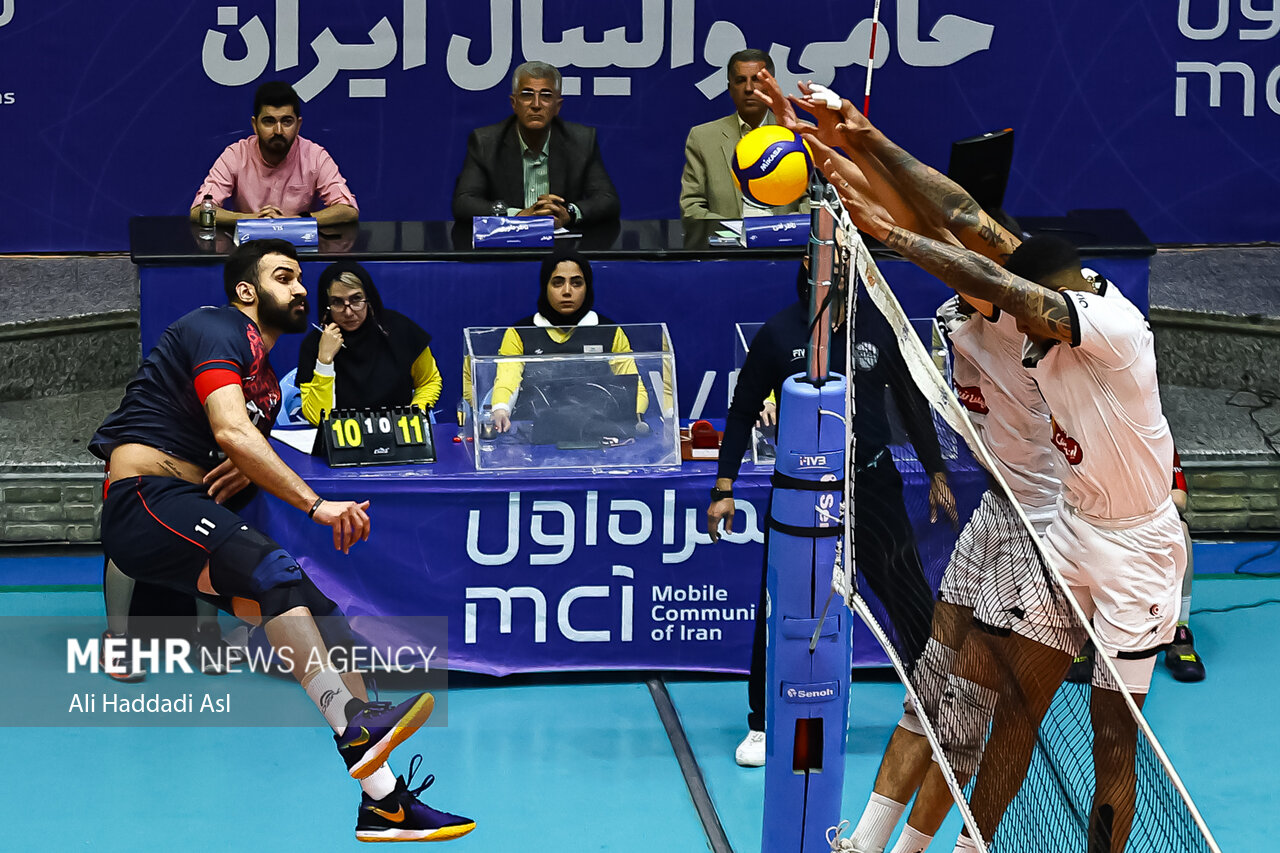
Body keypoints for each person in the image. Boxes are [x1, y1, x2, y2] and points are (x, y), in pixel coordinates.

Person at [817, 119, 1184, 851]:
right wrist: (857, 143)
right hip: (1063, 525)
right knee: (998, 699)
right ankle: (944, 845)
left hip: (1126, 546)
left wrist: (889, 232)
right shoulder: (1018, 294)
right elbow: (956, 216)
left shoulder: (1105, 326)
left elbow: (975, 263)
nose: (1027, 339)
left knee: (1110, 733)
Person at [89, 239, 472, 843]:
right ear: (247, 291)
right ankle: (358, 724)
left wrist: (244, 461)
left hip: (187, 508)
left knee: (324, 621)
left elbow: (240, 446)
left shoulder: (266, 383)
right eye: (285, 277)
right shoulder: (217, 327)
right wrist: (315, 504)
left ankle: (384, 802)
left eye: (299, 278)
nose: (300, 289)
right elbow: (230, 430)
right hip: (144, 500)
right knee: (274, 572)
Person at [707, 259, 956, 768]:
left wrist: (936, 471)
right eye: (832, 260)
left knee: (909, 597)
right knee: (781, 605)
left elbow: (911, 401)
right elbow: (742, 409)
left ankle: (936, 709)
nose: (840, 270)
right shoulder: (779, 333)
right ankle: (762, 723)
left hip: (873, 485)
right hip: (802, 492)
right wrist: (723, 487)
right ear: (811, 267)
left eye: (846, 262)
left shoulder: (877, 328)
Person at [469, 249, 648, 437]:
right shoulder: (519, 333)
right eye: (557, 282)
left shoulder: (610, 331)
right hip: (537, 432)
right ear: (545, 286)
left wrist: (632, 416)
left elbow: (634, 387)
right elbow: (508, 379)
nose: (567, 291)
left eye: (576, 283)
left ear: (587, 287)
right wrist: (501, 409)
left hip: (598, 429)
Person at [451, 61, 620, 229]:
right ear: (514, 103)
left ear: (557, 106)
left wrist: (568, 213)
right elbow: (464, 202)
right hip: (508, 241)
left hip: (559, 242)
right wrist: (517, 215)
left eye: (546, 96)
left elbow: (607, 199)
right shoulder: (485, 142)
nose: (536, 105)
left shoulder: (581, 141)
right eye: (527, 95)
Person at [190, 81, 358, 228]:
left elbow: (348, 210)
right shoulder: (235, 155)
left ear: (298, 125)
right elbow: (199, 211)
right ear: (255, 125)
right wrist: (251, 219)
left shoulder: (315, 155)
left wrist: (294, 221)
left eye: (286, 121)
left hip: (299, 247)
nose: (278, 130)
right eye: (269, 121)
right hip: (248, 248)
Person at [296, 260, 442, 425]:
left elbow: (429, 381)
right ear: (326, 305)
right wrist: (324, 361)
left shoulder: (400, 330)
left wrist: (413, 415)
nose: (348, 312)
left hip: (398, 431)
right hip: (341, 436)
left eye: (356, 299)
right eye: (337, 302)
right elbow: (318, 418)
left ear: (369, 298)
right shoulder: (314, 345)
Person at [679, 49, 808, 220]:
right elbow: (691, 207)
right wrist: (733, 231)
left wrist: (780, 229)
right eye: (740, 81)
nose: (748, 88)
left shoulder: (799, 133)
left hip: (785, 235)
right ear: (730, 89)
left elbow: (815, 203)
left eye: (757, 80)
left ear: (771, 87)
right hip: (726, 236)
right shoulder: (703, 137)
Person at [1166, 450, 1206, 680]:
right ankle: (1088, 631)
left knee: (1181, 531)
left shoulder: (1158, 438)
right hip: (1104, 519)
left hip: (1149, 516)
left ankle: (1179, 631)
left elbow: (1180, 500)